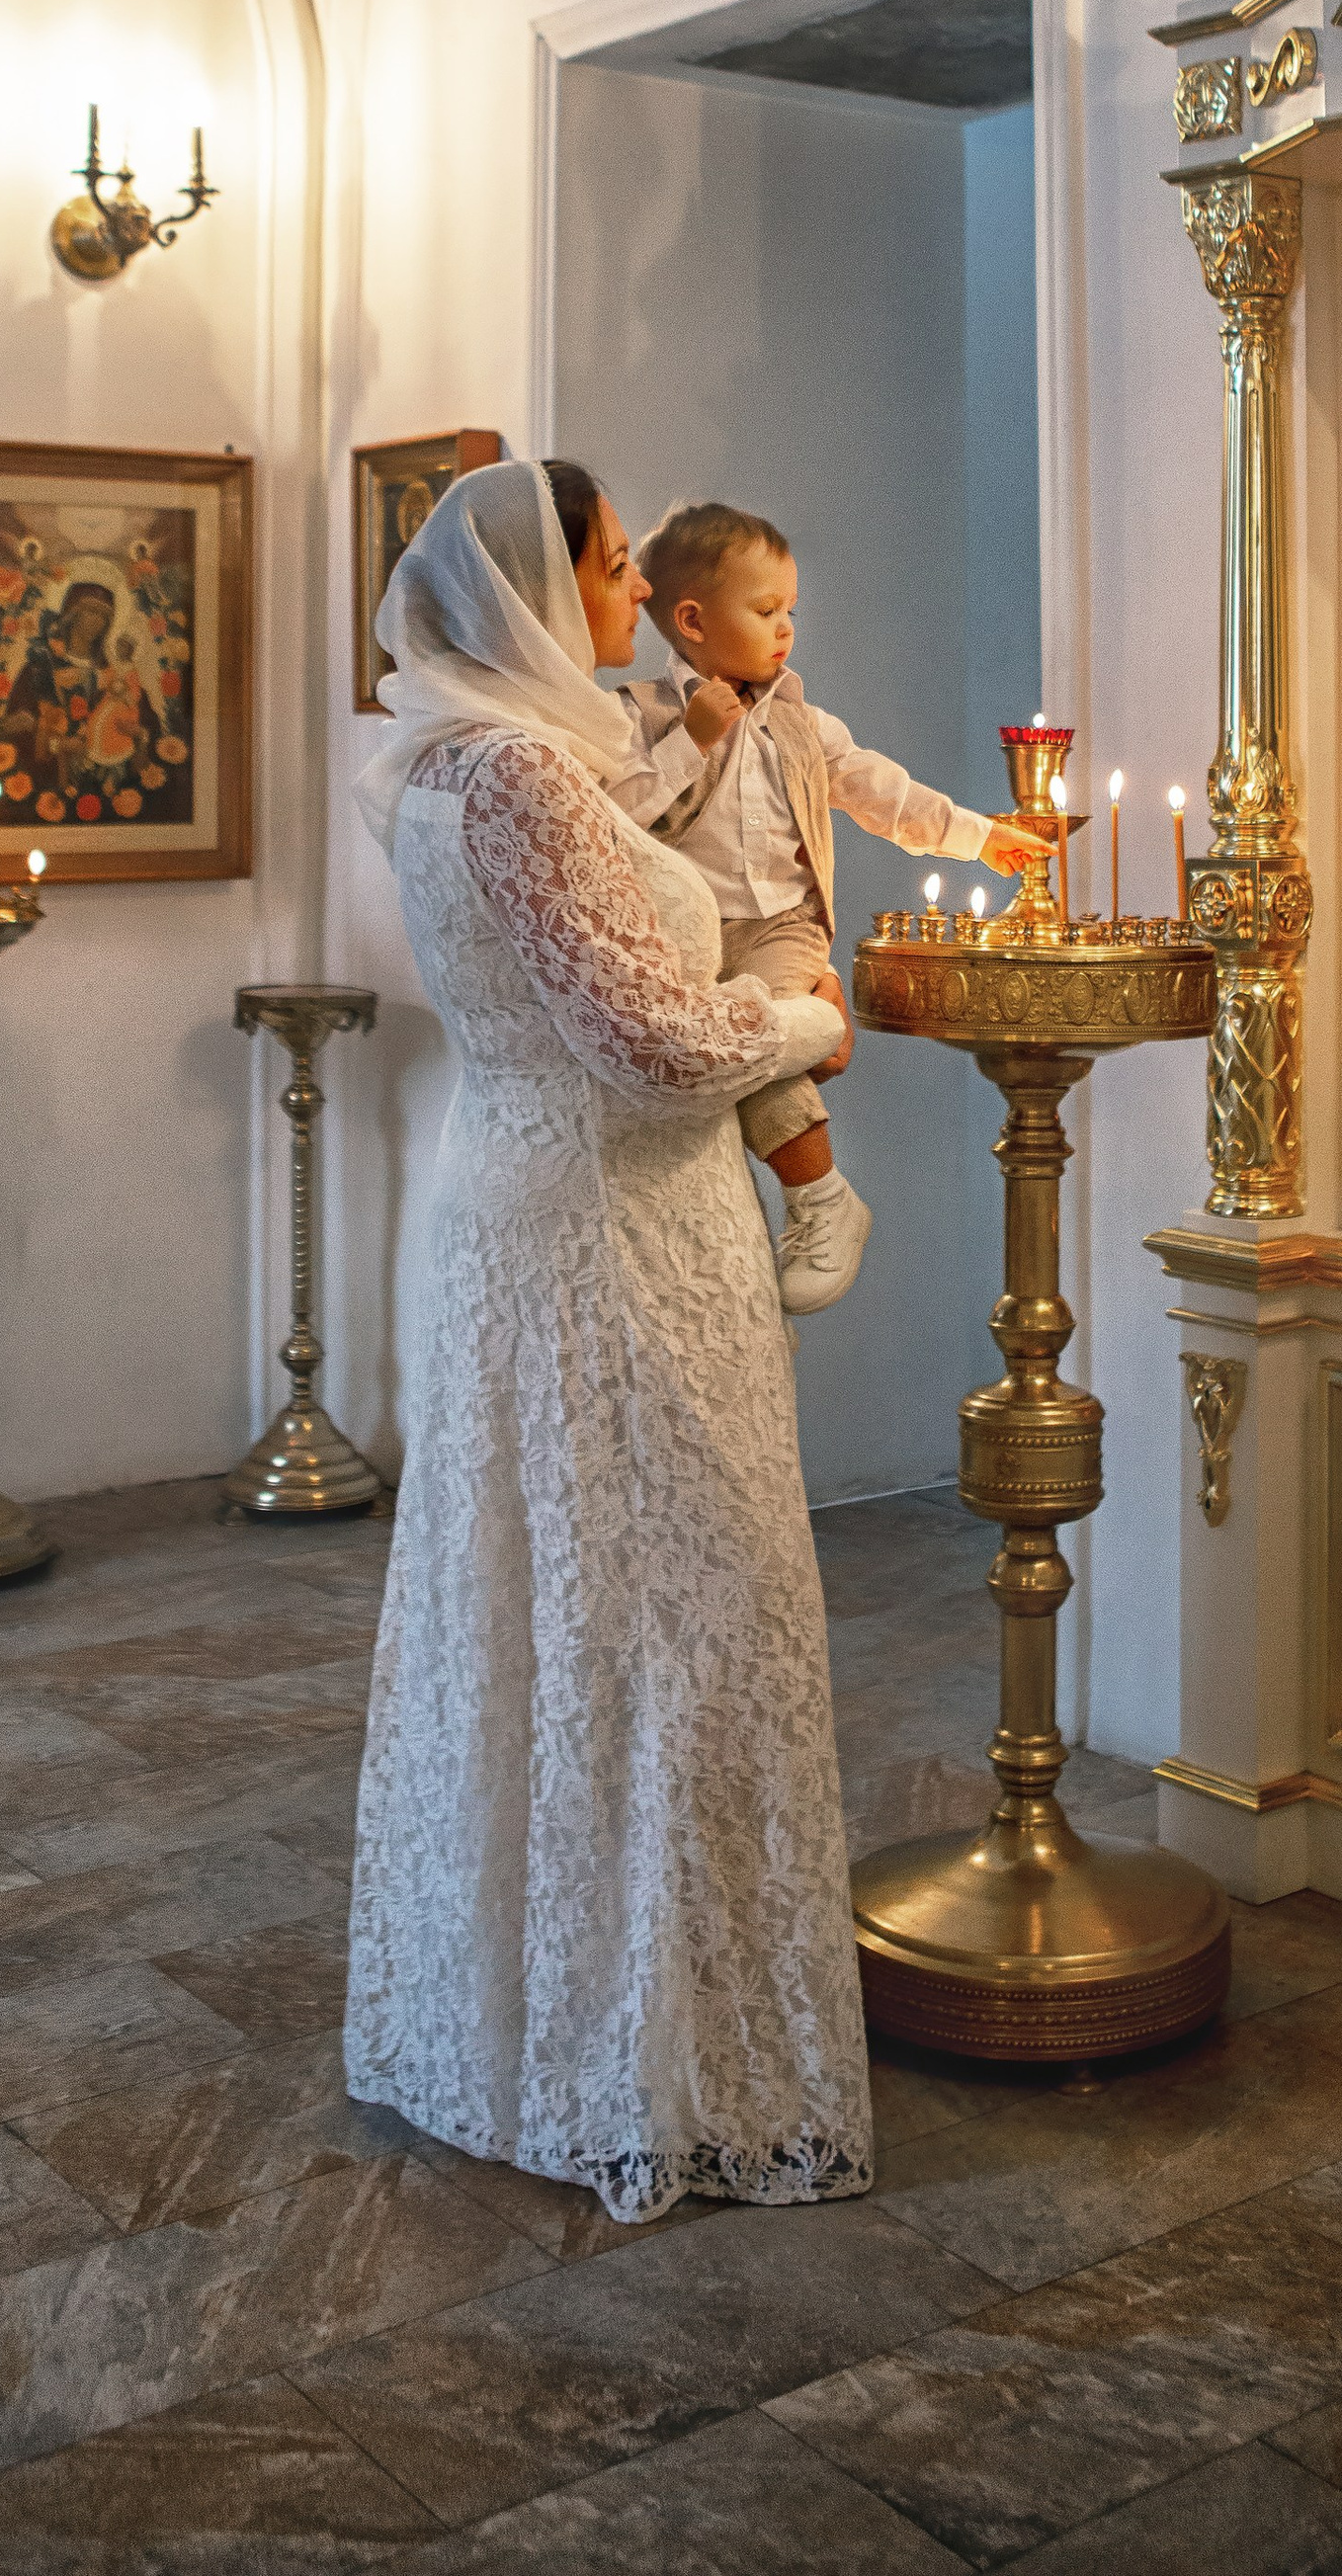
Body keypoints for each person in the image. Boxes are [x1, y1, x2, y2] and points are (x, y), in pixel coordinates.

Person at [345, 455, 873, 2224]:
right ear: (533, 584)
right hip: (612, 1235)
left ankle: (536, 2027)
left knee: (553, 1611)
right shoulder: (516, 779)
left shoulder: (445, 759)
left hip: (528, 1209)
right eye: (611, 560)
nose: (633, 589)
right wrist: (804, 1010)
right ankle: (648, 2059)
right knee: (673, 1617)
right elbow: (645, 1042)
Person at [612, 500, 1050, 1314]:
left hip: (782, 926)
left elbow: (882, 792)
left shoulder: (805, 724)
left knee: (764, 1038)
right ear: (692, 620)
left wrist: (980, 838)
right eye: (766, 609)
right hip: (685, 936)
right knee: (713, 1050)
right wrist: (689, 742)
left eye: (792, 612)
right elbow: (611, 820)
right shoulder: (641, 717)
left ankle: (819, 1198)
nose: (786, 628)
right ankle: (792, 1205)